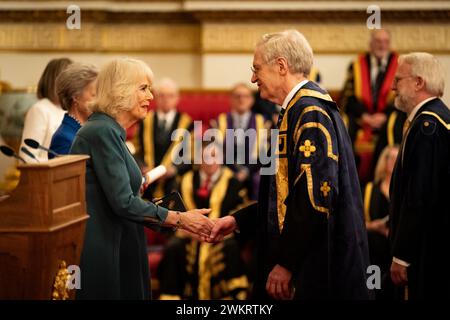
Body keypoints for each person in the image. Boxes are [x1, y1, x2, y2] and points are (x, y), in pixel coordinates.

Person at [209, 30, 370, 300]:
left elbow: (314, 199)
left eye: (256, 68)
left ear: (281, 66)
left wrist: (286, 263)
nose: (253, 78)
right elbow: (286, 196)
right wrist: (238, 220)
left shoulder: (309, 113)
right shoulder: (298, 110)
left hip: (314, 268)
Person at [70, 58, 213, 300]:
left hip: (119, 240)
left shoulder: (112, 131)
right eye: (143, 88)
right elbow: (123, 202)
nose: (151, 97)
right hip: (107, 248)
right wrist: (181, 219)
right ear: (121, 91)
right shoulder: (102, 131)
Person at [389, 52, 450, 300]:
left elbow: (418, 196)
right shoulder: (436, 119)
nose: (392, 87)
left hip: (427, 249)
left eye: (398, 80)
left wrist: (402, 255)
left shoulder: (428, 126)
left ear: (419, 82)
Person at [157, 142, 250, 300]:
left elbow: (240, 214)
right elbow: (170, 213)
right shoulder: (183, 181)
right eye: (205, 156)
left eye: (214, 156)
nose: (209, 161)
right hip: (187, 236)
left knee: (231, 248)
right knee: (173, 247)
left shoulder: (233, 182)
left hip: (221, 237)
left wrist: (216, 230)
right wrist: (188, 230)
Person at [340, 29, 398, 182]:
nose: (382, 45)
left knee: (394, 123)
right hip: (361, 120)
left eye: (385, 42)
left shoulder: (399, 64)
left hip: (387, 119)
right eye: (378, 41)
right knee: (345, 124)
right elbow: (348, 96)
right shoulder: (356, 65)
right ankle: (349, 179)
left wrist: (384, 115)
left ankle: (381, 182)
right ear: (371, 44)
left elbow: (401, 95)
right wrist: (365, 116)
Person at [134, 77, 193, 200]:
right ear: (156, 97)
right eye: (162, 95)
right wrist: (142, 167)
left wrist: (174, 169)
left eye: (170, 96)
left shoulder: (187, 123)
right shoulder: (145, 120)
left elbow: (190, 156)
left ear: (177, 98)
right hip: (147, 178)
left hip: (174, 181)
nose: (166, 99)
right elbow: (136, 149)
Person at [211, 83, 268, 199]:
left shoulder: (263, 122)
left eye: (246, 96)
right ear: (231, 99)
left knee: (262, 178)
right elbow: (216, 152)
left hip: (253, 170)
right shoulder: (219, 122)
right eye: (237, 96)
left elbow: (265, 154)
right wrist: (234, 171)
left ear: (251, 100)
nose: (241, 99)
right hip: (226, 169)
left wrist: (246, 171)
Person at [19, 58, 72, 162]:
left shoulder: (70, 110)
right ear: (55, 82)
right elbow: (26, 156)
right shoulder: (40, 110)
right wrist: (59, 163)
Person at [363, 145, 399, 299]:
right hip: (373, 255)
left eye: (396, 158)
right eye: (389, 158)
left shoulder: (403, 191)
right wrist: (374, 226)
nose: (392, 162)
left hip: (396, 255)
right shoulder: (369, 189)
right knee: (374, 292)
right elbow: (355, 225)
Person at [49, 62, 98, 158]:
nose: (99, 101)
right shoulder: (63, 138)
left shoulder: (89, 129)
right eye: (94, 95)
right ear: (76, 97)